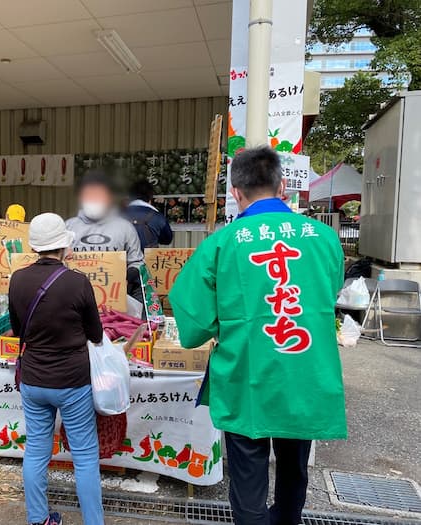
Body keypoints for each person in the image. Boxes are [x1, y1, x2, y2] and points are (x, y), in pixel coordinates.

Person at [168, 147, 346, 525]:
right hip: (305, 372)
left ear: (235, 192)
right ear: (283, 186)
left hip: (246, 374)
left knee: (247, 476)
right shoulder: (324, 237)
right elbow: (326, 297)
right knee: (294, 468)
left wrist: (222, 326)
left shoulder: (223, 242)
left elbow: (193, 317)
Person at [9, 213, 104, 525]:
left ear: (35, 246)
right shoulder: (77, 282)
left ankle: (39, 519)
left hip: (34, 379)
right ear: (65, 245)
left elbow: (16, 327)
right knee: (85, 457)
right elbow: (96, 335)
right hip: (72, 382)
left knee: (36, 452)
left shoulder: (17, 279)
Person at [66, 171, 144, 304]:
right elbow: (56, 260)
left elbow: (137, 262)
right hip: (75, 298)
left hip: (114, 299)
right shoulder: (68, 226)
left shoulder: (125, 227)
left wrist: (125, 276)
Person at [123, 180, 173, 249]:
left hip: (124, 258)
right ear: (150, 197)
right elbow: (167, 240)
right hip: (149, 258)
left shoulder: (118, 215)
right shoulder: (158, 217)